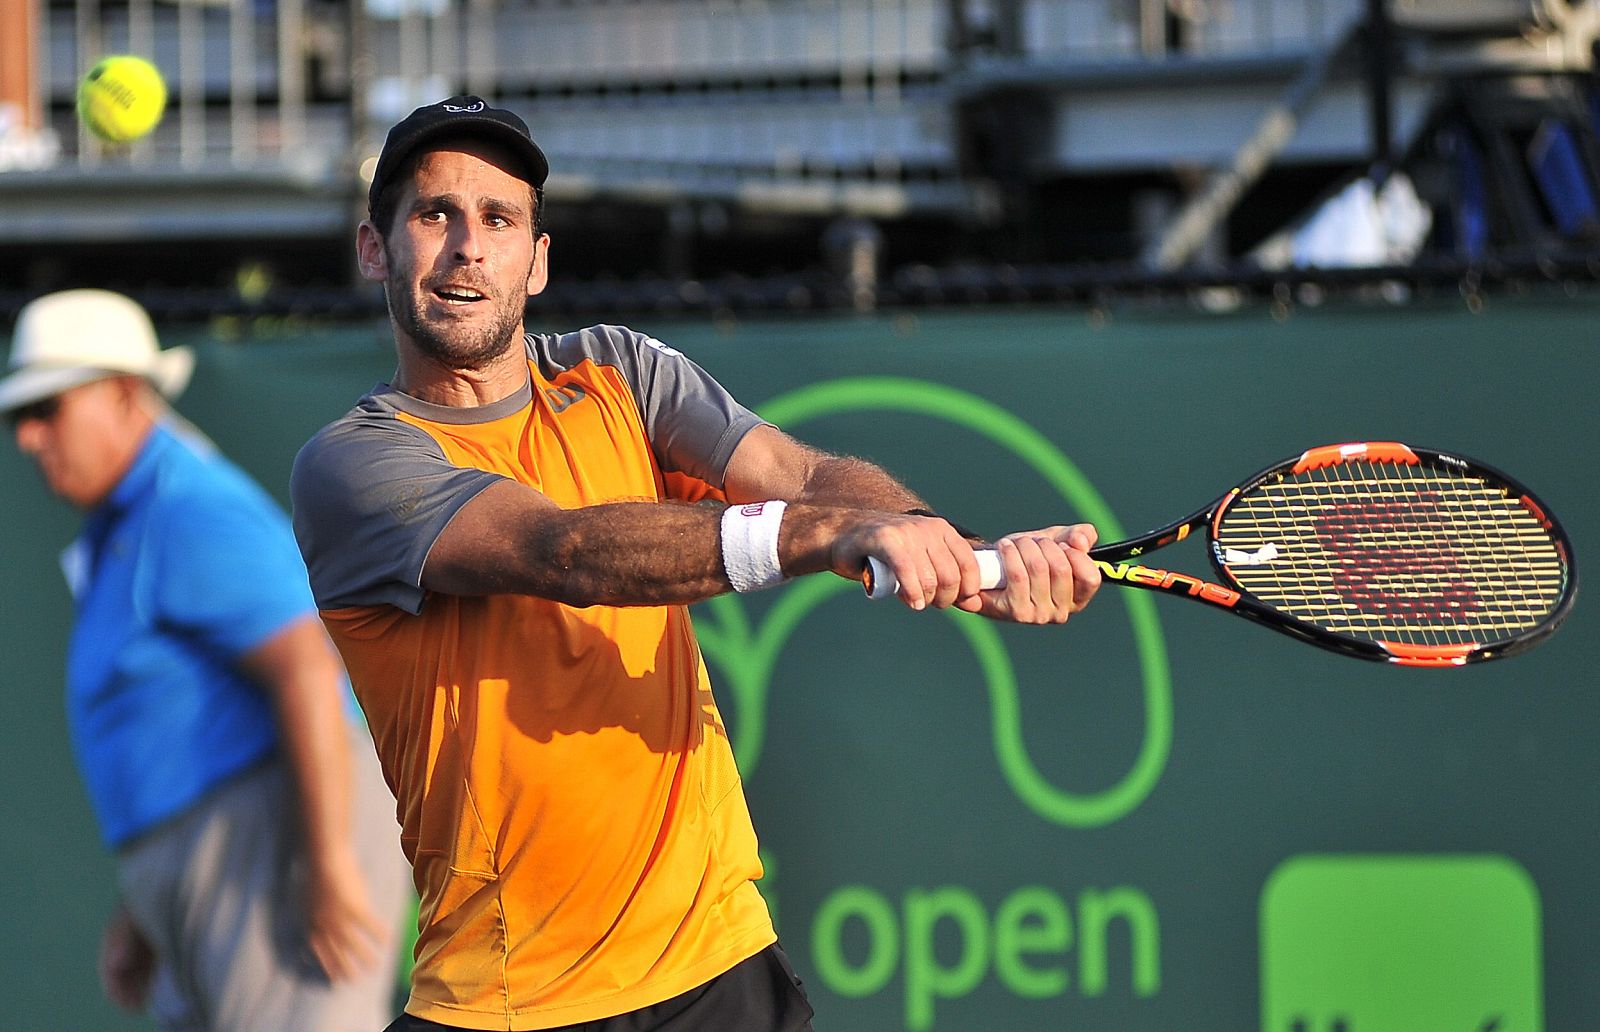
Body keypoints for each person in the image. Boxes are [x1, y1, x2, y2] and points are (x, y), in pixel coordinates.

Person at [289, 95, 1102, 1032]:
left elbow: (801, 475)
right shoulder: (352, 464)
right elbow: (565, 551)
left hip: (718, 967)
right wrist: (827, 536)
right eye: (435, 215)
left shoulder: (621, 375)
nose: (469, 246)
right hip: (511, 998)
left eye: (500, 218)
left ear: (537, 260)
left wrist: (957, 557)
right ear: (375, 250)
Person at [2, 288, 411, 1032]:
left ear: (125, 395)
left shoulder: (189, 507)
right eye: (18, 417)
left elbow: (307, 668)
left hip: (281, 846)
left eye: (46, 409)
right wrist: (145, 904)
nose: (29, 437)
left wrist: (326, 864)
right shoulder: (129, 522)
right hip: (224, 861)